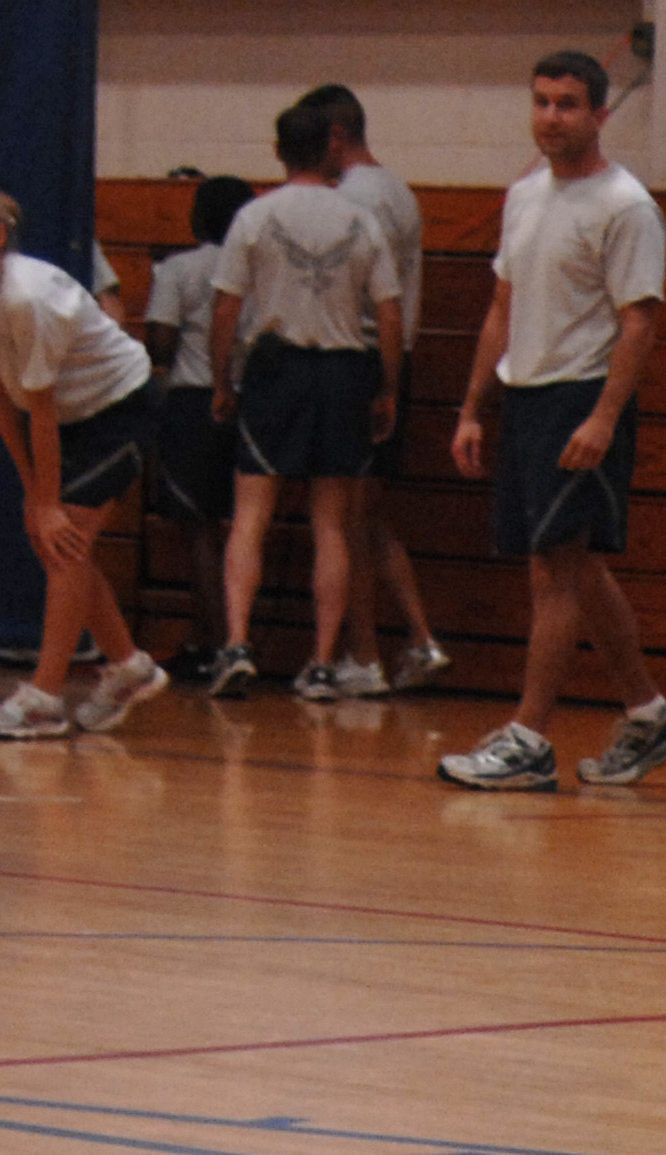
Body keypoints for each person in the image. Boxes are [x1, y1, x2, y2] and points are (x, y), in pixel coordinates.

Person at [439, 52, 666, 794]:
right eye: (543, 102)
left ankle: (529, 736)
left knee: (554, 570)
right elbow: (502, 307)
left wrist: (605, 416)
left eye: (569, 104)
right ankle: (650, 713)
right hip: (524, 399)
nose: (552, 117)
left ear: (599, 116)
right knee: (573, 568)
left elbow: (639, 320)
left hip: (579, 399)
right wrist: (472, 407)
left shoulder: (626, 206)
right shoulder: (524, 197)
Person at [0, 184, 163, 739]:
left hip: (119, 408)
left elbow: (41, 408)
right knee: (55, 540)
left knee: (64, 543)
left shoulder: (27, 297)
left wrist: (48, 500)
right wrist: (35, 494)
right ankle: (129, 665)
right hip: (62, 419)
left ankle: (43, 697)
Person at [210, 102, 403, 706]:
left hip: (276, 369)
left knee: (251, 515)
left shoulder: (252, 217)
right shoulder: (361, 220)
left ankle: (237, 645)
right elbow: (389, 312)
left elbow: (224, 307)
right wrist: (387, 385)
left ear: (277, 151)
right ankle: (320, 663)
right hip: (344, 372)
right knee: (330, 523)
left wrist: (222, 380)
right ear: (332, 149)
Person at [299, 85, 446, 694]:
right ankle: (419, 638)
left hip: (361, 360)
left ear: (334, 137)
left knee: (349, 519)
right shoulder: (397, 190)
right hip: (390, 360)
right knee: (366, 514)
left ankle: (363, 657)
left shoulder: (355, 198)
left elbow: (363, 292)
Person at [139, 174, 254, 686]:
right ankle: (226, 639)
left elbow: (161, 344)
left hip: (194, 401)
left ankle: (213, 642)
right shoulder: (259, 270)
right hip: (252, 403)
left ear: (197, 218)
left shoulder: (178, 270)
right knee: (242, 528)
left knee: (200, 530)